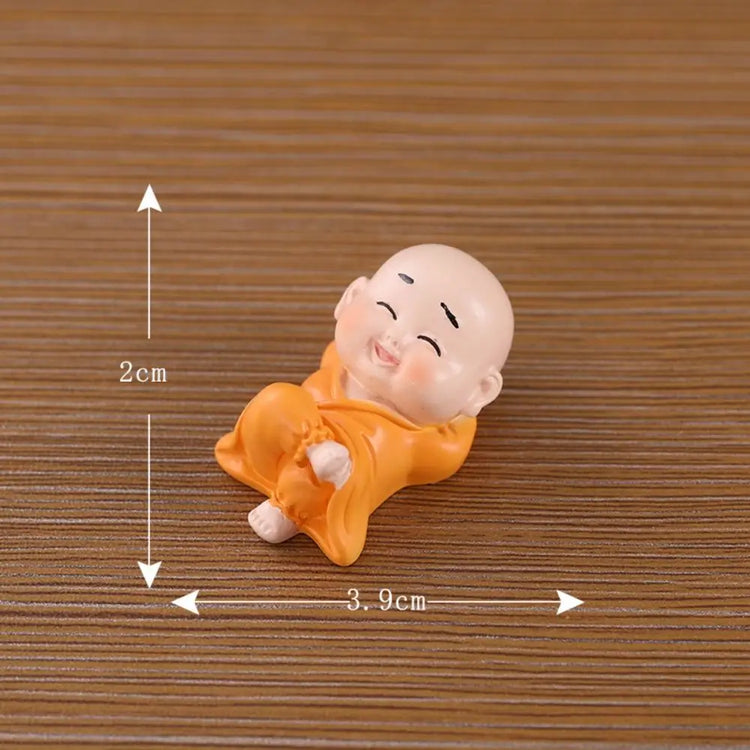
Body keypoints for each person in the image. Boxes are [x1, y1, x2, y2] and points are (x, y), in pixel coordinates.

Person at [215, 243, 514, 566]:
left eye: (429, 343)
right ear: (351, 297)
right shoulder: (338, 362)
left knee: (340, 469)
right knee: (277, 398)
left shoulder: (422, 440)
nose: (395, 337)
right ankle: (314, 447)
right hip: (277, 441)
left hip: (330, 474)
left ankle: (288, 508)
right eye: (387, 309)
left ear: (479, 391)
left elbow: (429, 458)